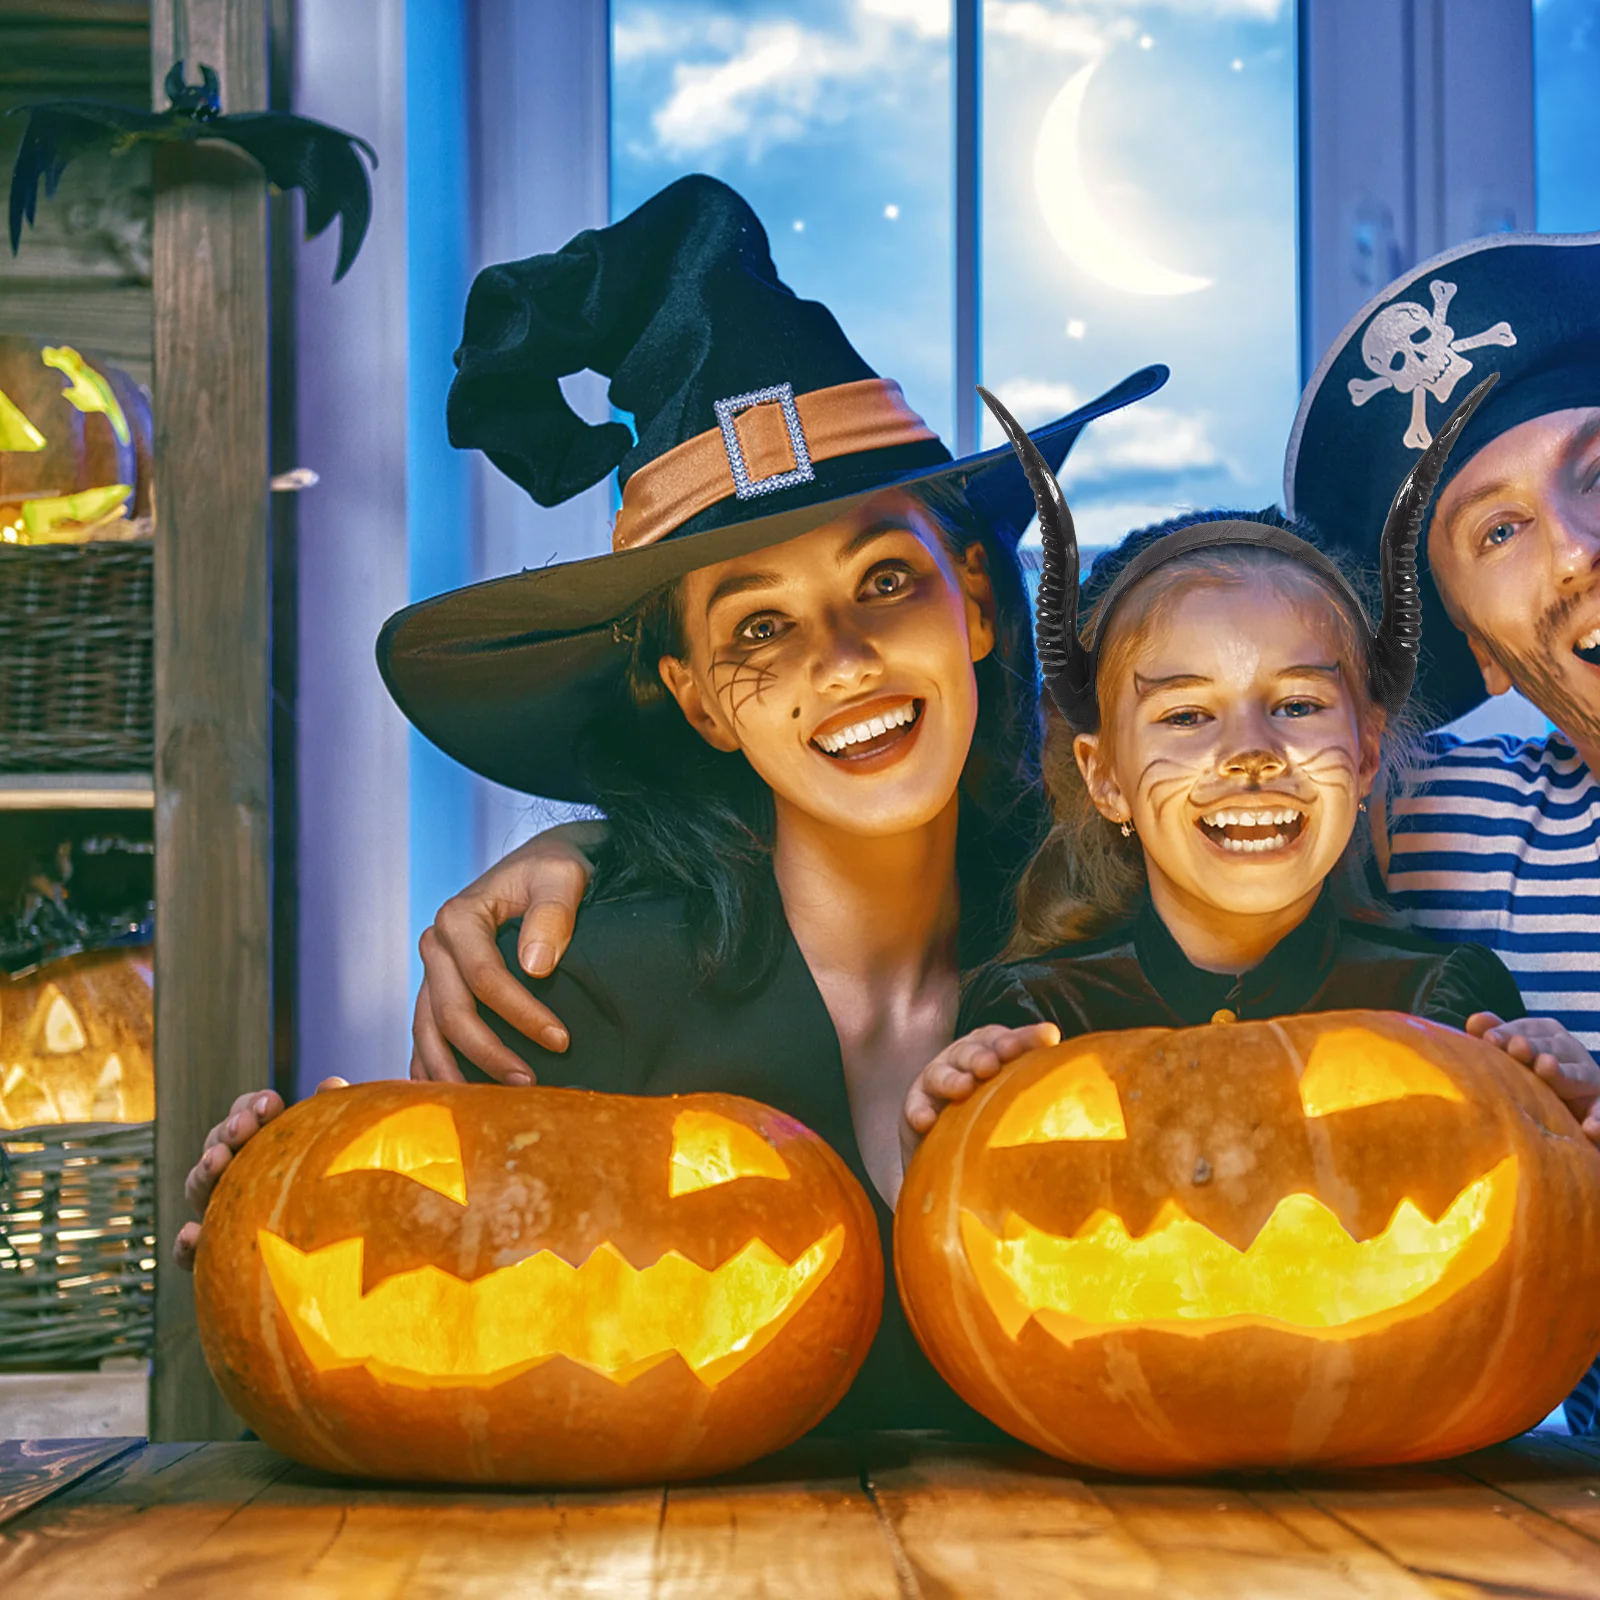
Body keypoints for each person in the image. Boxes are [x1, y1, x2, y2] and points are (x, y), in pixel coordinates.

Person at [176, 174, 1165, 1436]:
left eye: (884, 581)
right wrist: (272, 1227)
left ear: (972, 600)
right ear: (697, 698)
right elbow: (445, 1331)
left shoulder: (1117, 943)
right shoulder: (580, 987)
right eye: (761, 625)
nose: (844, 659)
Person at [903, 386, 1600, 1154]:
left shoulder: (1446, 998)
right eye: (1186, 716)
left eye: (1297, 705)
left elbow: (1522, 1214)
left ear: (1367, 754)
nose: (1250, 752)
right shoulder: (1034, 1018)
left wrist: (1553, 1122)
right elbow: (973, 1225)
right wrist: (946, 1144)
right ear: (1104, 779)